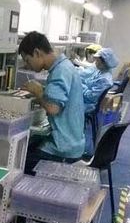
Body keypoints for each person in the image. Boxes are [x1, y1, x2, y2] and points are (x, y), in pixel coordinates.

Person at [19, 31, 85, 174]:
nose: (27, 65)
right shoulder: (65, 66)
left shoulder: (60, 71)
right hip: (74, 142)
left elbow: (53, 108)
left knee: (20, 161)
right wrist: (43, 90)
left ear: (37, 53)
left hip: (64, 148)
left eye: (27, 60)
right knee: (32, 147)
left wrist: (38, 92)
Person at [79, 47, 119, 155]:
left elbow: (90, 97)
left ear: (104, 62)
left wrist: (80, 85)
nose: (95, 62)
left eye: (97, 60)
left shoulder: (104, 80)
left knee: (64, 107)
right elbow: (89, 81)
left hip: (89, 105)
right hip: (88, 101)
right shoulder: (101, 72)